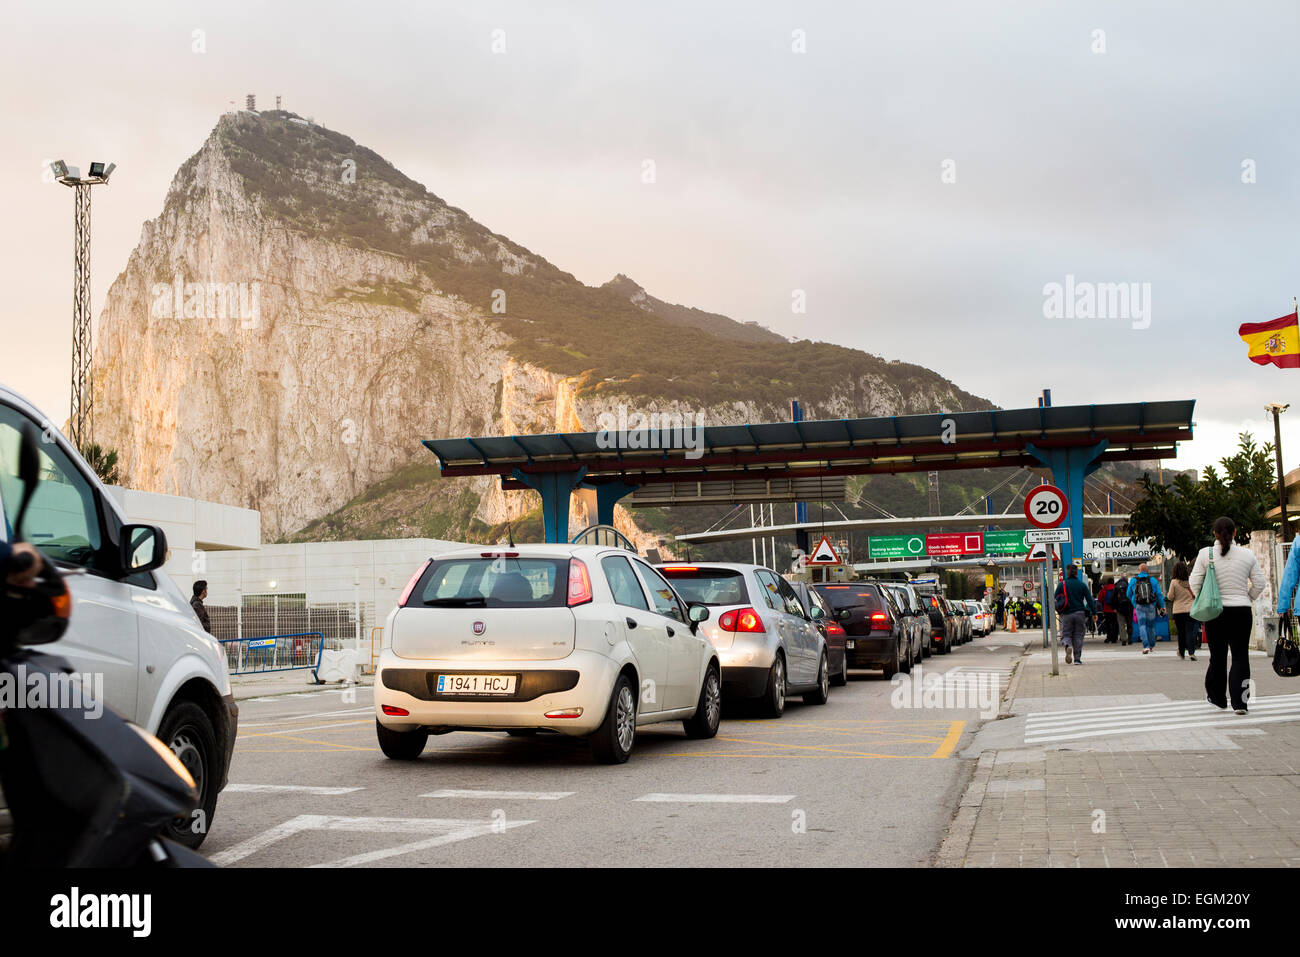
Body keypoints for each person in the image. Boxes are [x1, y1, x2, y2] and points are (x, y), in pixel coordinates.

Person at [1191, 517, 1266, 714]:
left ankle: (1218, 699)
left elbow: (1194, 582)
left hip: (1215, 612)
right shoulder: (1247, 554)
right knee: (1241, 656)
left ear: (1214, 533)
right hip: (1241, 611)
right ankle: (1241, 703)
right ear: (1235, 533)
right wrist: (1246, 597)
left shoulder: (1205, 554)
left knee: (1217, 657)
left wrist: (1205, 599)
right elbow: (1260, 583)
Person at [1054, 564, 1096, 664]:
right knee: (1078, 635)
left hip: (1066, 614)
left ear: (1067, 572)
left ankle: (1068, 646)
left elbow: (1055, 598)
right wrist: (1094, 612)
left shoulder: (1062, 584)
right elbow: (1089, 599)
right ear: (1077, 572)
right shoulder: (1082, 585)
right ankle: (1077, 659)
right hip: (1080, 613)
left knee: (1066, 634)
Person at [1167, 561, 1198, 661]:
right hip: (1190, 609)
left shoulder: (1174, 582)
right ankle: (1192, 652)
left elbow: (1170, 597)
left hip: (1178, 611)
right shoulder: (1191, 581)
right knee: (1190, 631)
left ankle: (1181, 652)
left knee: (1181, 632)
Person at [1098, 576, 1120, 643]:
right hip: (1115, 610)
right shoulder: (1116, 588)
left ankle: (1108, 638)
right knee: (1115, 624)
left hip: (1106, 609)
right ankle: (1114, 638)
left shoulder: (1104, 588)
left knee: (1108, 624)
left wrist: (1103, 602)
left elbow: (1099, 598)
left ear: (1107, 582)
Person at [1113, 573, 1132, 645]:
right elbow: (1132, 595)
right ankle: (1129, 638)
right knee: (1129, 623)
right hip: (1129, 607)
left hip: (1119, 608)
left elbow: (1114, 597)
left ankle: (1124, 639)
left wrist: (1114, 607)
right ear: (1127, 579)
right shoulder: (1129, 585)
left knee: (1121, 624)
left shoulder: (1116, 586)